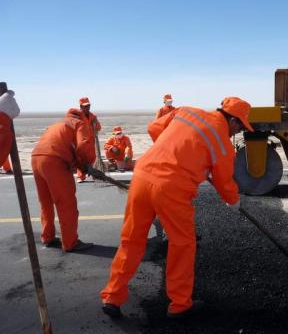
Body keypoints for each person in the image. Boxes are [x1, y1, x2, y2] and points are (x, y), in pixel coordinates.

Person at [100, 96, 252, 319]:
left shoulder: (187, 112)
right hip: (172, 188)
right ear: (234, 121)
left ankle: (112, 296)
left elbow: (154, 128)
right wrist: (233, 200)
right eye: (239, 128)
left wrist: (176, 151)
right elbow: (224, 181)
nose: (236, 133)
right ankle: (180, 304)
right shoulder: (223, 144)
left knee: (131, 239)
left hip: (142, 177)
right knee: (182, 243)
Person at [31, 109, 95, 251]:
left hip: (36, 158)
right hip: (55, 160)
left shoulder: (58, 124)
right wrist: (87, 164)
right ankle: (70, 242)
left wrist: (80, 165)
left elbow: (68, 146)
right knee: (66, 203)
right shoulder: (80, 123)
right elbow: (83, 146)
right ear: (83, 117)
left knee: (46, 202)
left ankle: (47, 236)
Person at [76, 97, 102, 183]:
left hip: (91, 141)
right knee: (81, 158)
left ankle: (93, 174)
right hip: (81, 141)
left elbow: (98, 128)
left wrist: (95, 123)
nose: (87, 107)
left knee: (92, 158)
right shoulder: (77, 116)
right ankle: (81, 176)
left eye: (88, 105)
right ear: (81, 106)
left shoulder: (93, 116)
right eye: (85, 106)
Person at [0, 90, 20, 167]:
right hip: (4, 124)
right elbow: (17, 111)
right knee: (5, 146)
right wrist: (10, 115)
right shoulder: (11, 99)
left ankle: (6, 167)